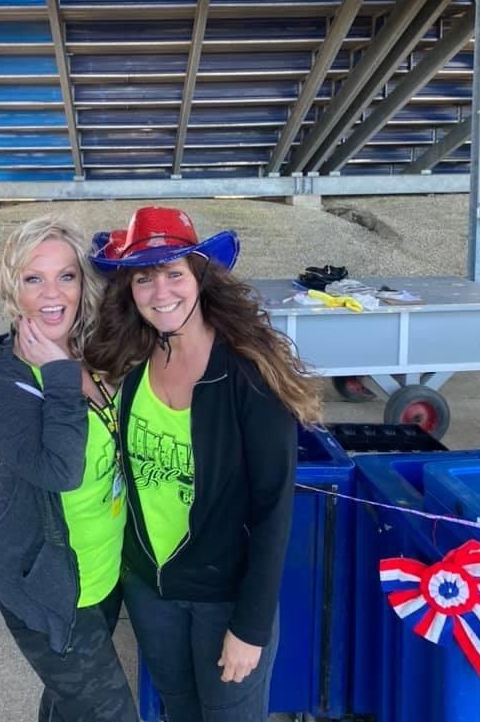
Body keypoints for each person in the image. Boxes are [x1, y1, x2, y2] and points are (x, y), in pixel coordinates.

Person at [87, 206, 323, 722]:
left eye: (174, 273)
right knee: (179, 711)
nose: (160, 291)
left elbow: (273, 509)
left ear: (200, 278)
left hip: (224, 598)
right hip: (151, 591)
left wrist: (250, 627)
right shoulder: (129, 363)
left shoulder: (247, 375)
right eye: (143, 278)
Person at [0, 215, 138, 722]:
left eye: (66, 276)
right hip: (48, 587)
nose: (52, 294)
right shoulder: (1, 380)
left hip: (103, 572)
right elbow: (62, 471)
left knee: (70, 707)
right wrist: (61, 374)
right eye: (33, 278)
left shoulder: (94, 351)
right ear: (12, 288)